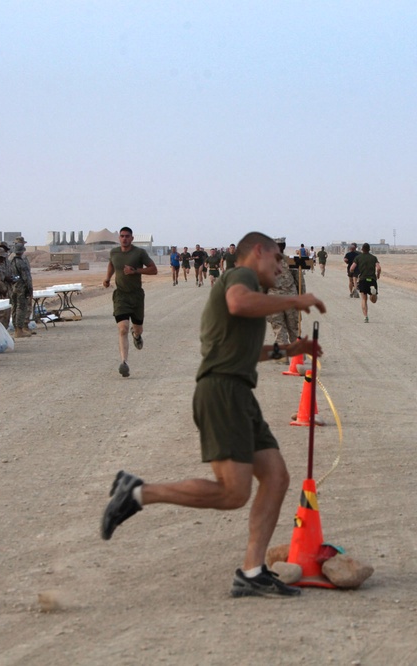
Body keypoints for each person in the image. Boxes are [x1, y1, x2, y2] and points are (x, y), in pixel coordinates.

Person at [100, 231, 326, 598]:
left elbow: (244, 351)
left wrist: (292, 348)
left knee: (276, 477)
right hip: (222, 392)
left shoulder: (251, 292)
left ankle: (252, 572)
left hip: (239, 392)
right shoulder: (241, 278)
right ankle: (138, 493)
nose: (282, 266)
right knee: (233, 493)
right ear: (258, 252)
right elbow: (238, 303)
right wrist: (296, 298)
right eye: (277, 259)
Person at [103, 226, 158, 378]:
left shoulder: (139, 253)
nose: (124, 238)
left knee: (137, 328)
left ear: (132, 238)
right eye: (122, 236)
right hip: (120, 296)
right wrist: (107, 278)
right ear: (119, 238)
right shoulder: (114, 252)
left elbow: (154, 269)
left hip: (136, 296)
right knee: (122, 328)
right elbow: (112, 264)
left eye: (127, 236)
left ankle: (137, 336)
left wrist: (136, 271)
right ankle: (124, 362)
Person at [265, 238, 305, 353]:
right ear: (284, 246)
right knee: (293, 328)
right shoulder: (291, 261)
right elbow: (300, 281)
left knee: (279, 328)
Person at [350, 243, 381, 323]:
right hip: (372, 279)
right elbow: (378, 268)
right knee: (374, 300)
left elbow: (352, 268)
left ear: (362, 249)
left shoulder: (358, 257)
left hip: (363, 279)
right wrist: (378, 274)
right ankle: (373, 293)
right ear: (369, 249)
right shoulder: (374, 258)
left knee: (364, 299)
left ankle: (366, 317)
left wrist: (353, 272)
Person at [10, 242, 34, 338]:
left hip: (13, 287)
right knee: (21, 308)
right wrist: (30, 289)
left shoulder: (10, 261)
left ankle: (17, 329)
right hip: (21, 287)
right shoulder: (20, 262)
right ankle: (19, 330)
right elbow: (26, 277)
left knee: (15, 308)